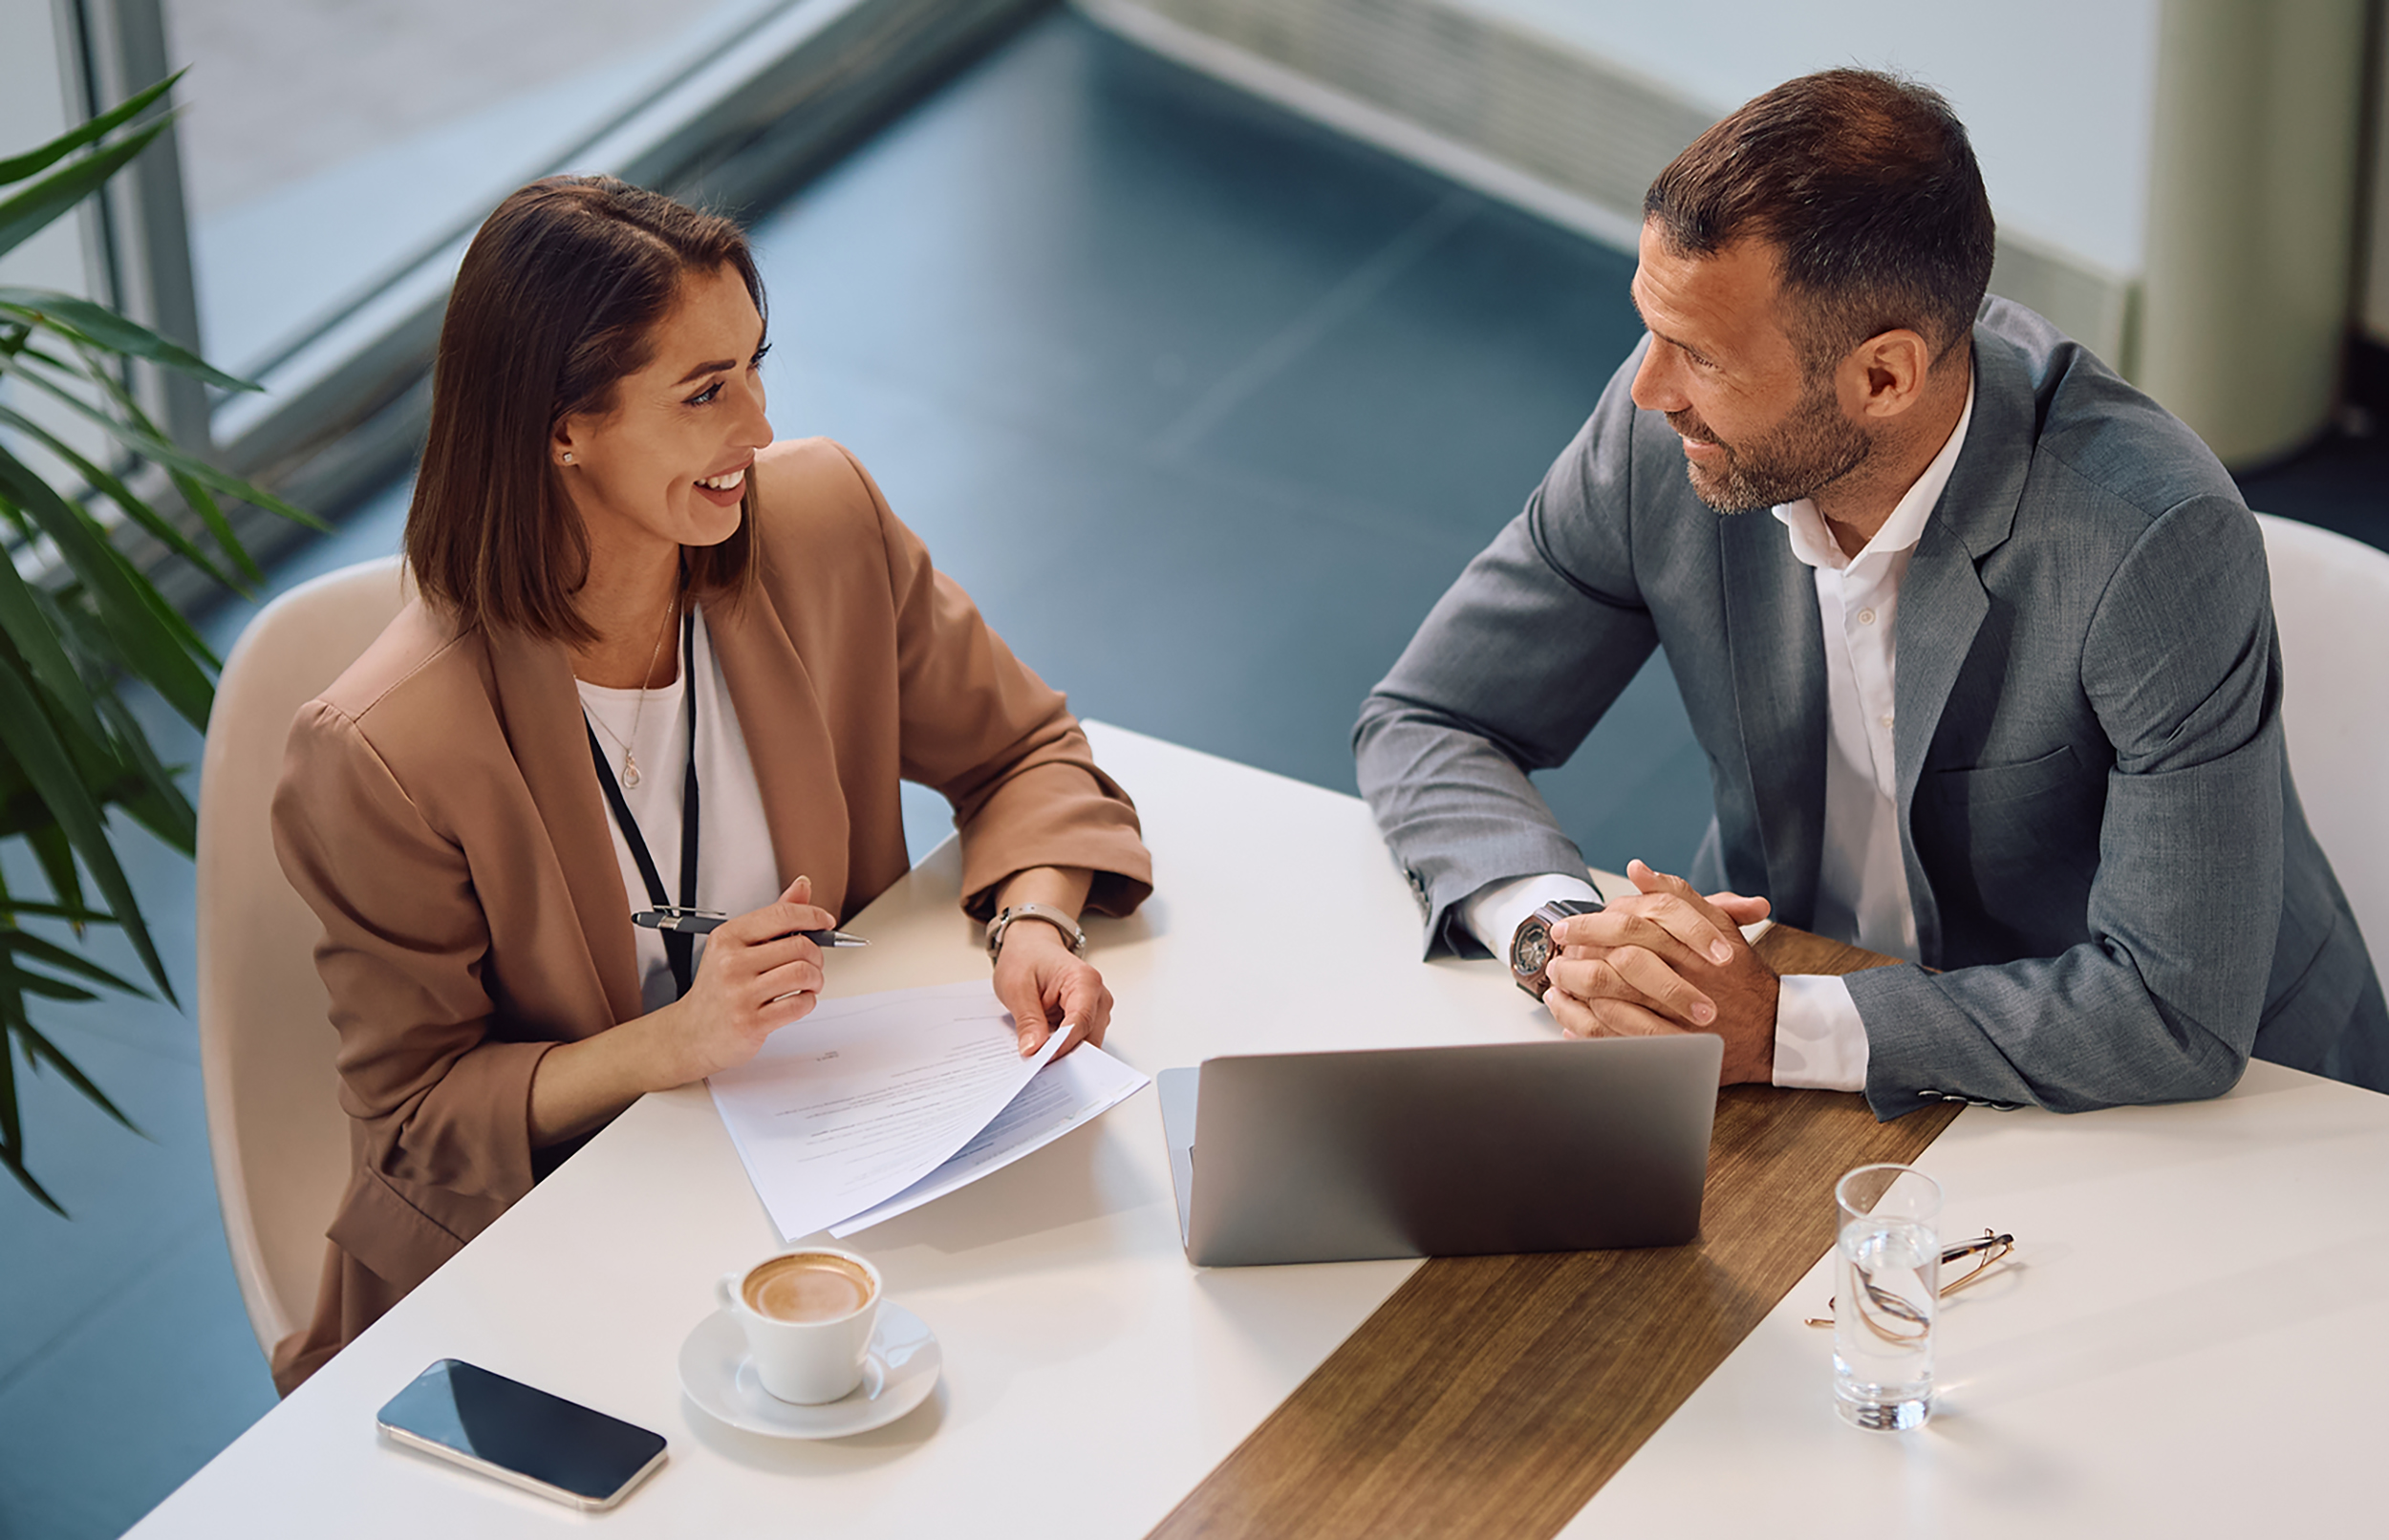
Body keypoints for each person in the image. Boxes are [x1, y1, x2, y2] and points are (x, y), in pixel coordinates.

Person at [1354, 69, 2386, 1118]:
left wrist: (1776, 1027)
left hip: (2189, 1100)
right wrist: (1561, 940)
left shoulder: (2149, 541)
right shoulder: (1665, 431)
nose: (1647, 390)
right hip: (1805, 1028)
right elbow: (1429, 719)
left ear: (1883, 379)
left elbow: (2175, 1013)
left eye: (1700, 355)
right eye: (1653, 329)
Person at [269, 177, 1152, 1393]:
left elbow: (1027, 753)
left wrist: (1033, 919)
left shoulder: (821, 523)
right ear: (561, 427)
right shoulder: (380, 746)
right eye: (703, 393)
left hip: (848, 1178)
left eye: (752, 367)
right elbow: (418, 1121)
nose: (757, 425)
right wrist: (673, 1041)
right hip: (566, 1245)